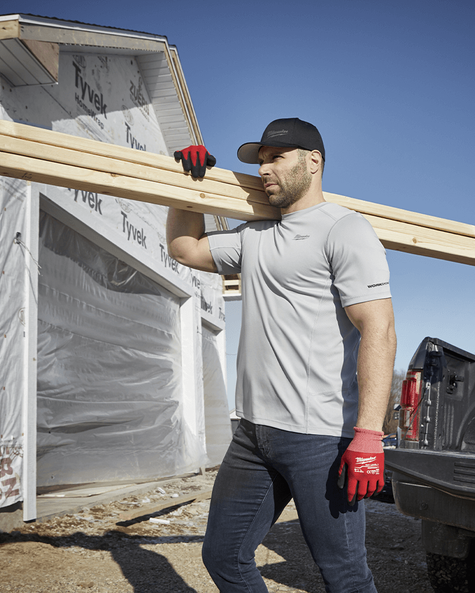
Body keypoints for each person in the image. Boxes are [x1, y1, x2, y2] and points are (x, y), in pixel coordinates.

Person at [167, 118, 397, 593]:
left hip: (320, 438)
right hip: (252, 433)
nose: (264, 169)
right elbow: (186, 248)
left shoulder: (345, 230)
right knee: (224, 556)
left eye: (277, 157)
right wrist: (187, 187)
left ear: (313, 161)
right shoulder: (254, 236)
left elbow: (379, 329)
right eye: (260, 160)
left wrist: (369, 436)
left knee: (346, 577)